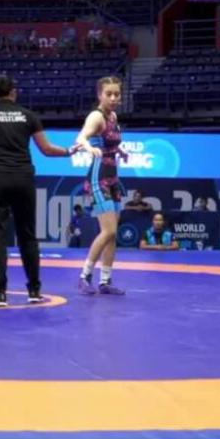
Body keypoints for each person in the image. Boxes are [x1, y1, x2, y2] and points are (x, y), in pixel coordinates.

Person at [0, 74, 77, 307]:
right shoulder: (28, 115)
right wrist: (69, 151)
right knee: (27, 234)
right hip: (23, 178)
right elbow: (47, 149)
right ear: (13, 92)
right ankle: (34, 291)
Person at [75, 76, 128, 295]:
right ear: (100, 95)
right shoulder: (96, 116)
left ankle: (105, 281)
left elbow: (111, 143)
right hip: (98, 179)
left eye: (117, 94)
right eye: (109, 94)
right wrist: (88, 147)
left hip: (113, 179)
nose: (114, 98)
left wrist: (120, 151)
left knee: (113, 235)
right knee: (108, 231)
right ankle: (84, 276)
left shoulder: (113, 116)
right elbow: (81, 137)